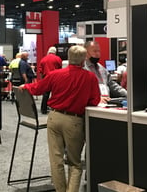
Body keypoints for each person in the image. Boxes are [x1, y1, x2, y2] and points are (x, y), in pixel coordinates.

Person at [20, 45, 101, 192]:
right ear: (83, 61)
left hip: (54, 118)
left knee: (56, 159)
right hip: (75, 122)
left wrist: (25, 87)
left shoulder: (55, 74)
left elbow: (37, 88)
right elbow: (95, 100)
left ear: (68, 58)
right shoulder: (90, 78)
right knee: (75, 163)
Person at [37, 46, 62, 114]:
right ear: (55, 52)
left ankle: (43, 109)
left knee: (45, 94)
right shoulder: (58, 58)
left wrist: (42, 80)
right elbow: (60, 69)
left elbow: (40, 71)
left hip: (46, 78)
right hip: (55, 78)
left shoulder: (43, 59)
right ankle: (55, 108)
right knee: (56, 94)